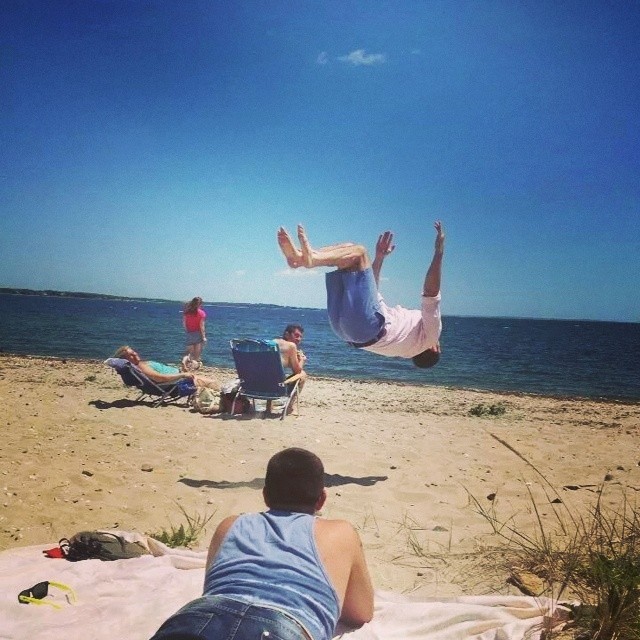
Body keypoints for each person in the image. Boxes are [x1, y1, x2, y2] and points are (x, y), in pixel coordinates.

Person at [149, 447, 374, 640]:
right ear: (322, 499)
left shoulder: (230, 525)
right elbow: (360, 612)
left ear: (265, 495)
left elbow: (214, 587)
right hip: (283, 626)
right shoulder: (340, 532)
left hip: (201, 617)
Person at [277, 221, 444, 368]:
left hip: (367, 327)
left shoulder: (430, 338)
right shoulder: (404, 345)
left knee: (359, 252)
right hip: (345, 331)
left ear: (435, 349)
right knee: (349, 254)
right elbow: (371, 292)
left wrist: (438, 252)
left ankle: (309, 259)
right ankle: (300, 257)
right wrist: (379, 258)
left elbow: (431, 294)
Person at [113, 346, 219, 390]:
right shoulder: (141, 368)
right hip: (177, 384)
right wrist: (182, 374)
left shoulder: (140, 365)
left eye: (134, 352)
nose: (135, 354)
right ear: (126, 359)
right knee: (214, 383)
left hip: (178, 377)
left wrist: (182, 368)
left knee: (211, 382)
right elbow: (160, 378)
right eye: (131, 355)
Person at [182, 297, 207, 368]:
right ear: (200, 304)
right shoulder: (201, 313)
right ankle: (193, 366)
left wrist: (187, 330)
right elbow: (201, 326)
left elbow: (184, 323)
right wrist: (204, 337)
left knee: (189, 352)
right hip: (198, 333)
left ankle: (185, 362)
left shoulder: (187, 312)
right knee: (197, 353)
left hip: (189, 332)